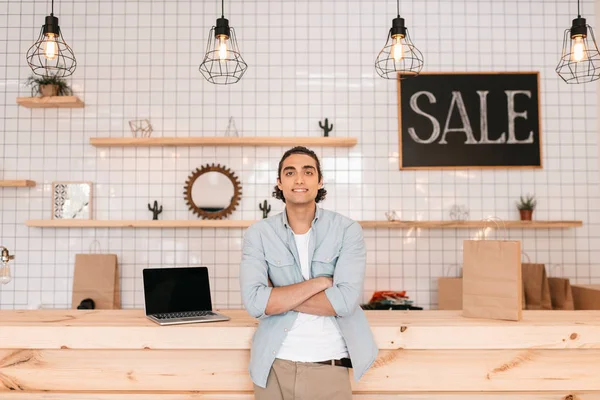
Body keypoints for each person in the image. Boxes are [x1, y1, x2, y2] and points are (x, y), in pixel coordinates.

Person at [240, 146, 379, 399]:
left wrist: (278, 298)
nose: (300, 179)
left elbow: (345, 302)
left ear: (320, 181)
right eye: (290, 172)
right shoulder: (259, 234)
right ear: (279, 183)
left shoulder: (347, 230)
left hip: (327, 365)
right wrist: (322, 283)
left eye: (308, 171)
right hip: (271, 366)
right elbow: (254, 302)